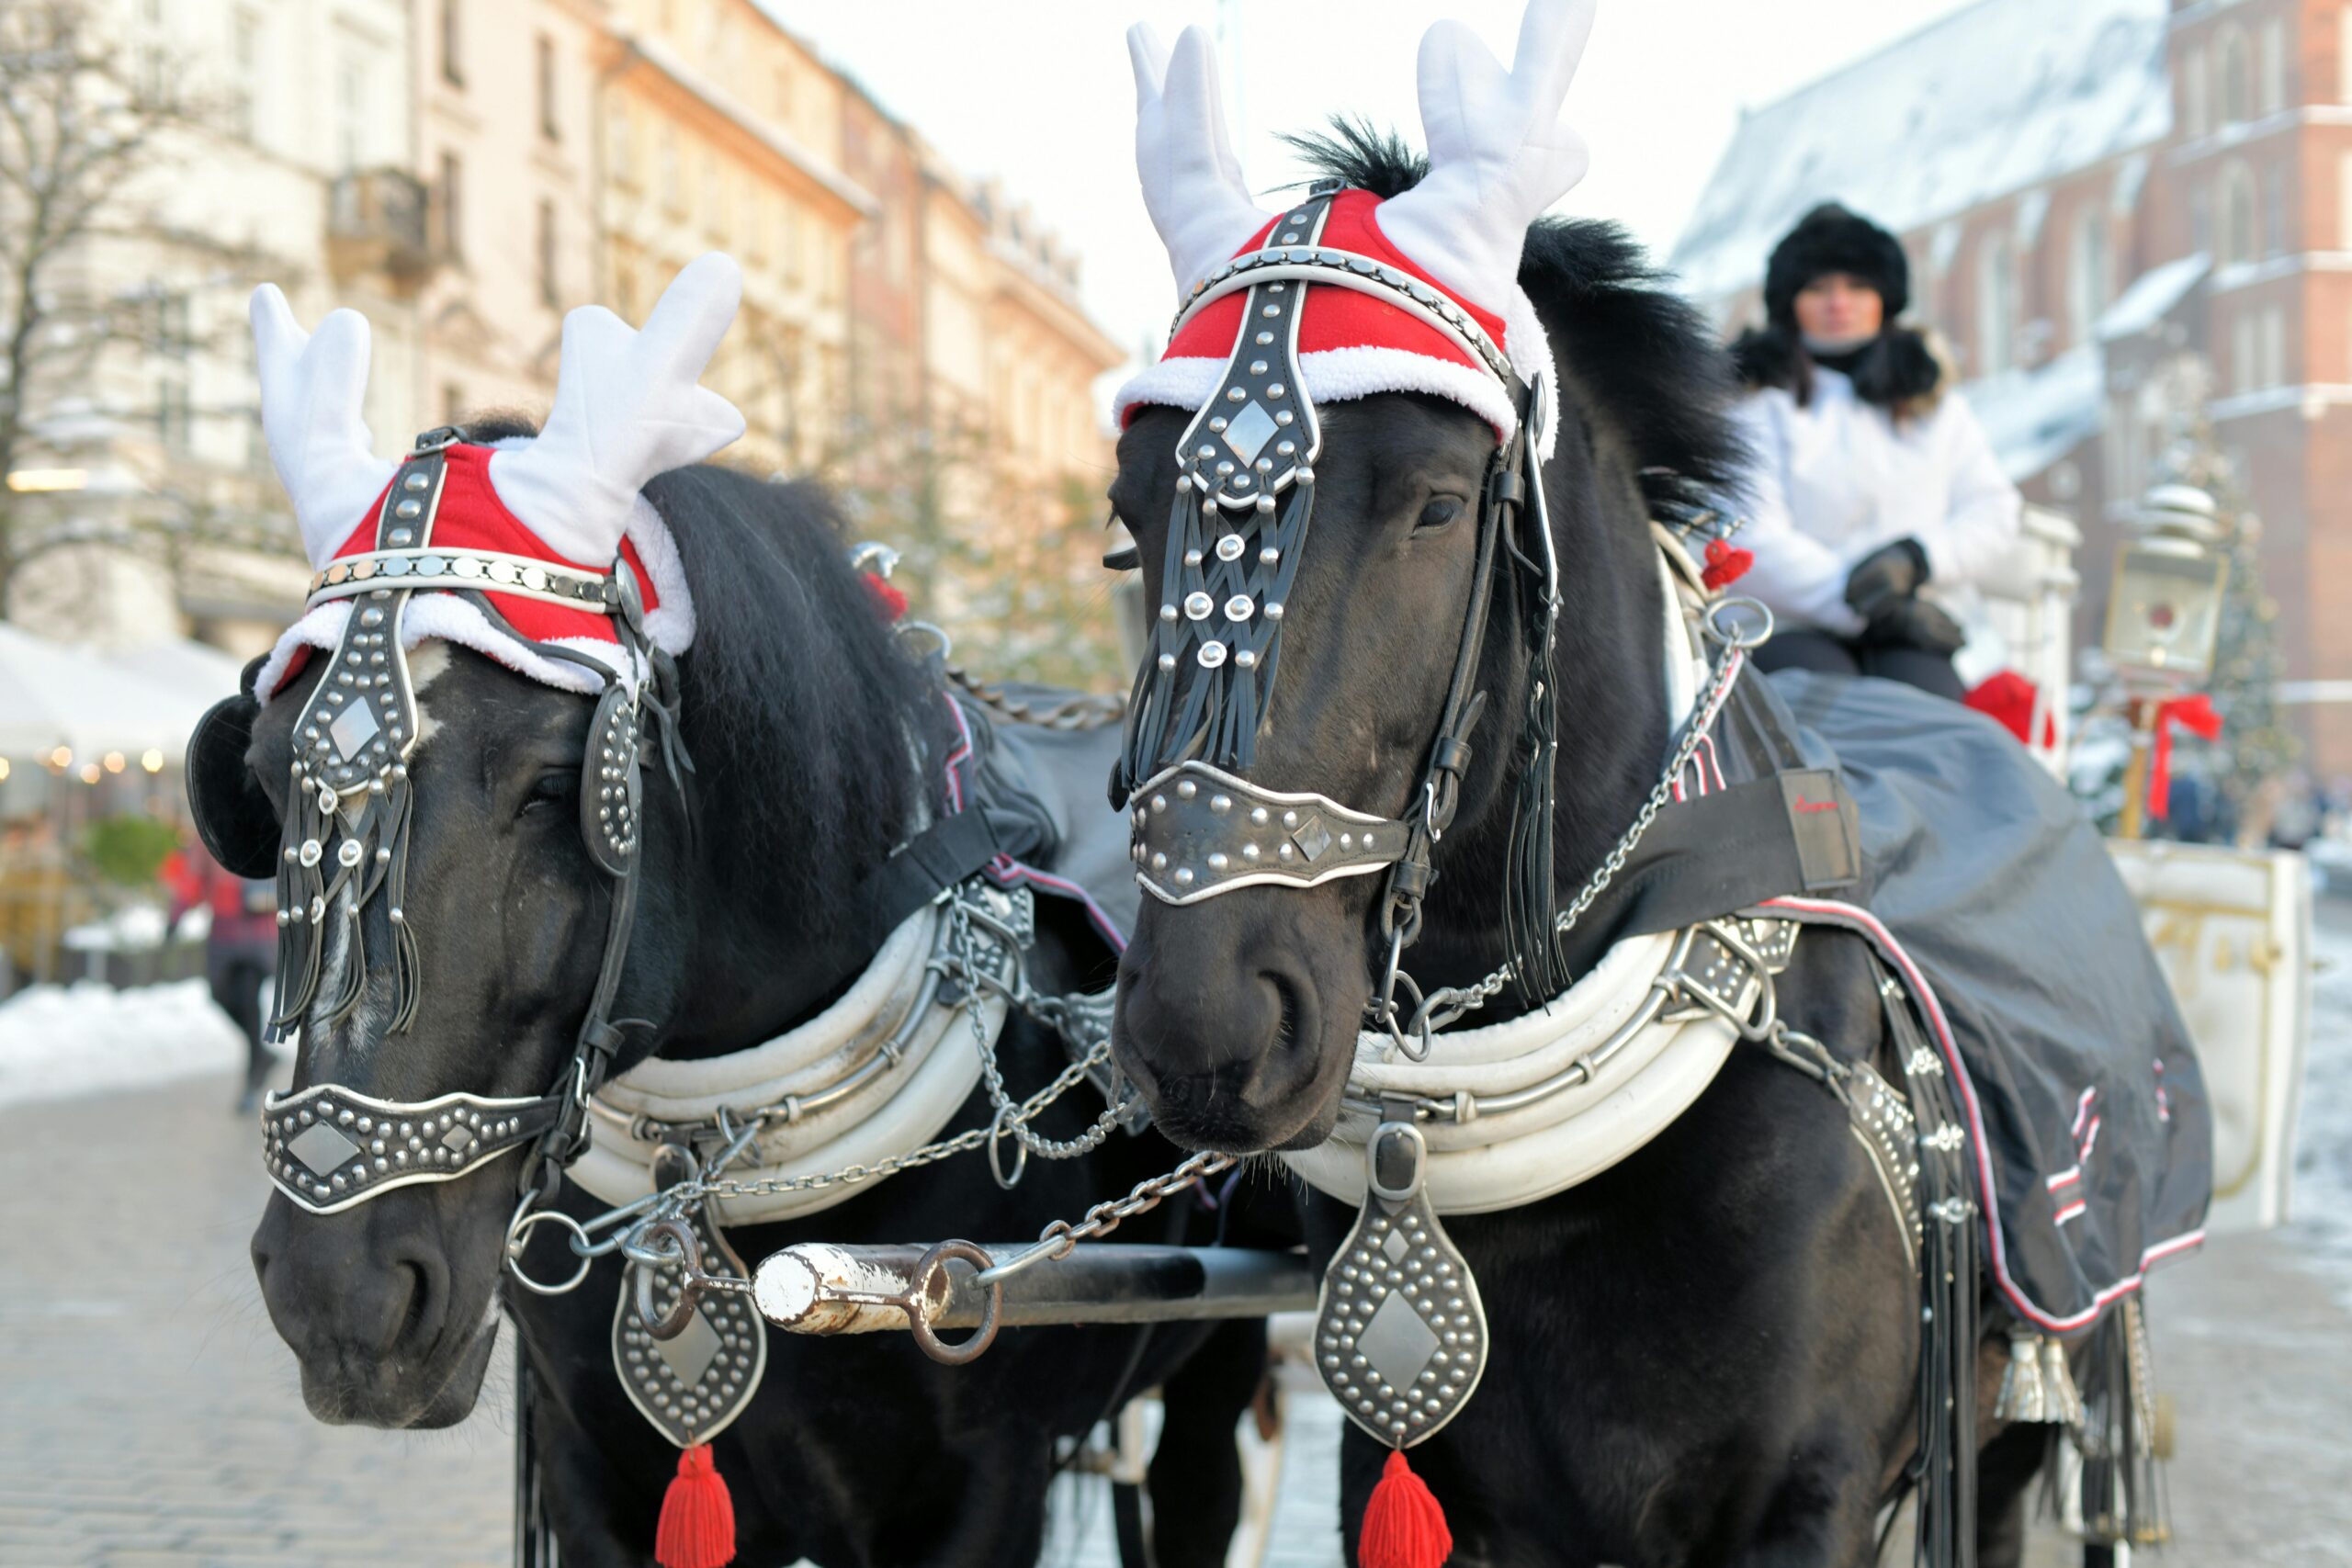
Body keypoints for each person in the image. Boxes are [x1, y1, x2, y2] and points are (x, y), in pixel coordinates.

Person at [1728, 202, 2023, 701]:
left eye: (1857, 286)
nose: (1838, 303)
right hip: (1795, 625)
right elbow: (1756, 539)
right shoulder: (1760, 401)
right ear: (1790, 303)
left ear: (1885, 297)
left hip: (1918, 629)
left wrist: (1918, 558)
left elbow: (1993, 512)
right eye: (1818, 288)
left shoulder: (1934, 402)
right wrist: (1874, 603)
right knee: (1819, 715)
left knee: (1932, 723)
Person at [164, 839, 277, 1112]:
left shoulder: (266, 826)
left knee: (249, 1000)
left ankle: (253, 1077)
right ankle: (261, 1055)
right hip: (223, 935)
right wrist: (176, 917)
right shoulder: (212, 833)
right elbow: (193, 876)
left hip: (258, 933)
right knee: (220, 994)